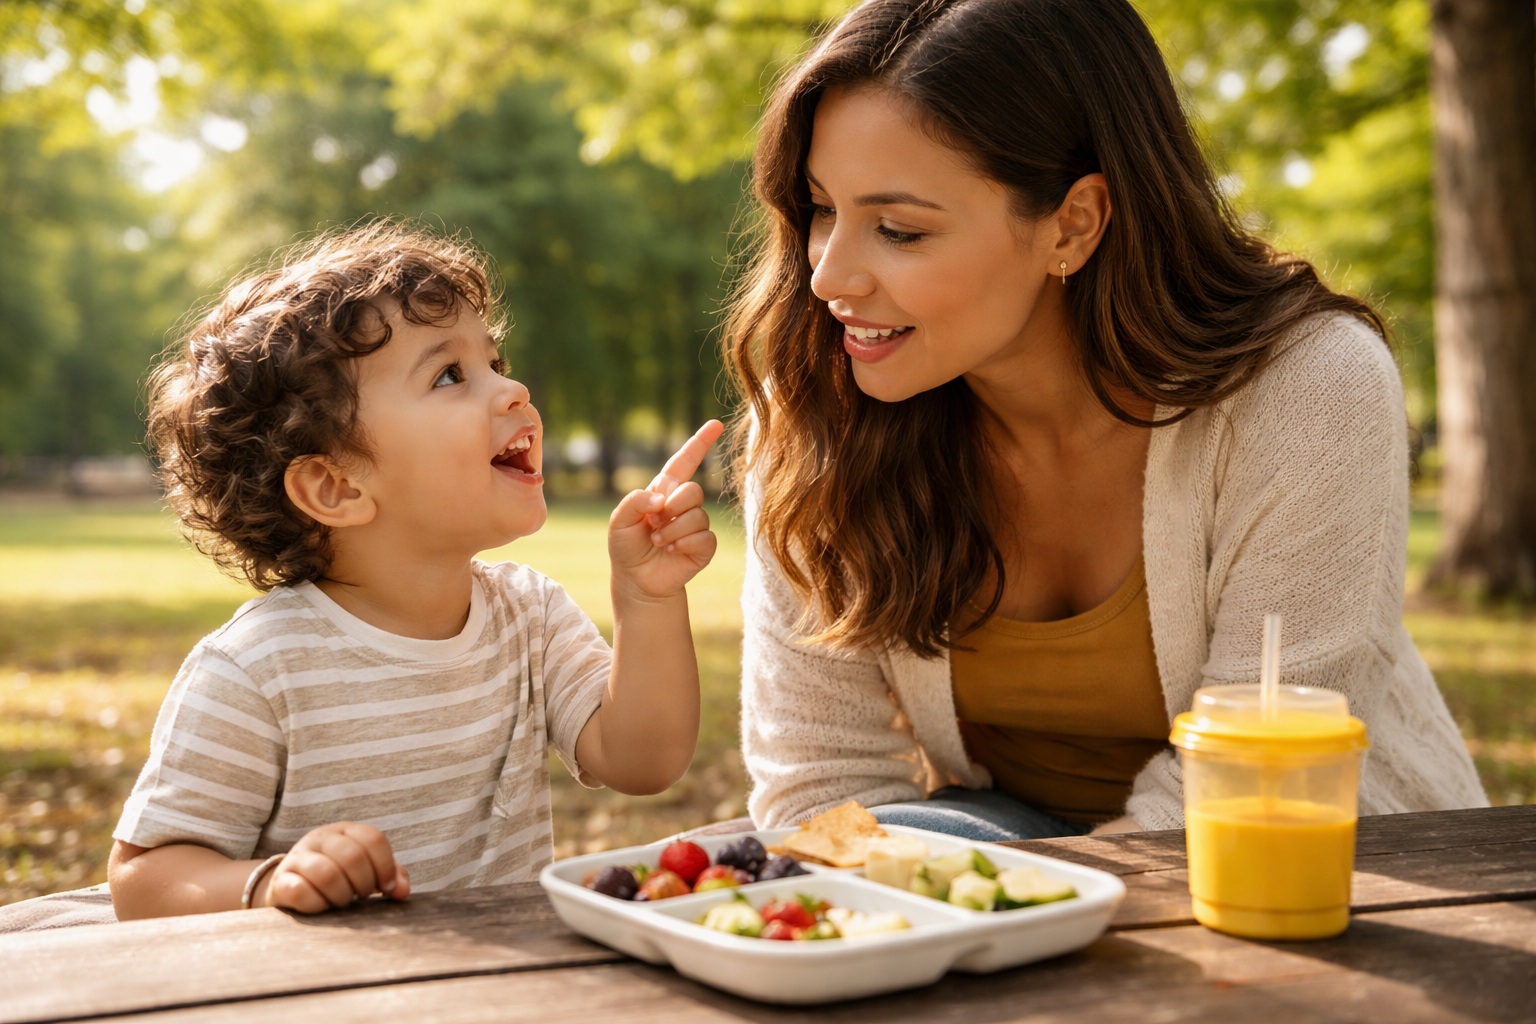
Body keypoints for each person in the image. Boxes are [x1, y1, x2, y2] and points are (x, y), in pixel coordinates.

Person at [727, 0, 1487, 842]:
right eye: (820, 208)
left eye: (899, 230)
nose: (828, 277)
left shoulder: (1308, 388)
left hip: (1328, 866)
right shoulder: (820, 414)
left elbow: (1260, 765)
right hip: (1002, 864)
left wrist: (1016, 906)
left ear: (1074, 222)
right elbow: (824, 789)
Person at [107, 222, 723, 918]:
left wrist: (646, 599)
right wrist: (272, 882)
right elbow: (144, 880)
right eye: (450, 375)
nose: (513, 387)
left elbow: (642, 760)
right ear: (337, 488)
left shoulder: (530, 616)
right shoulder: (257, 670)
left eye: (495, 360)